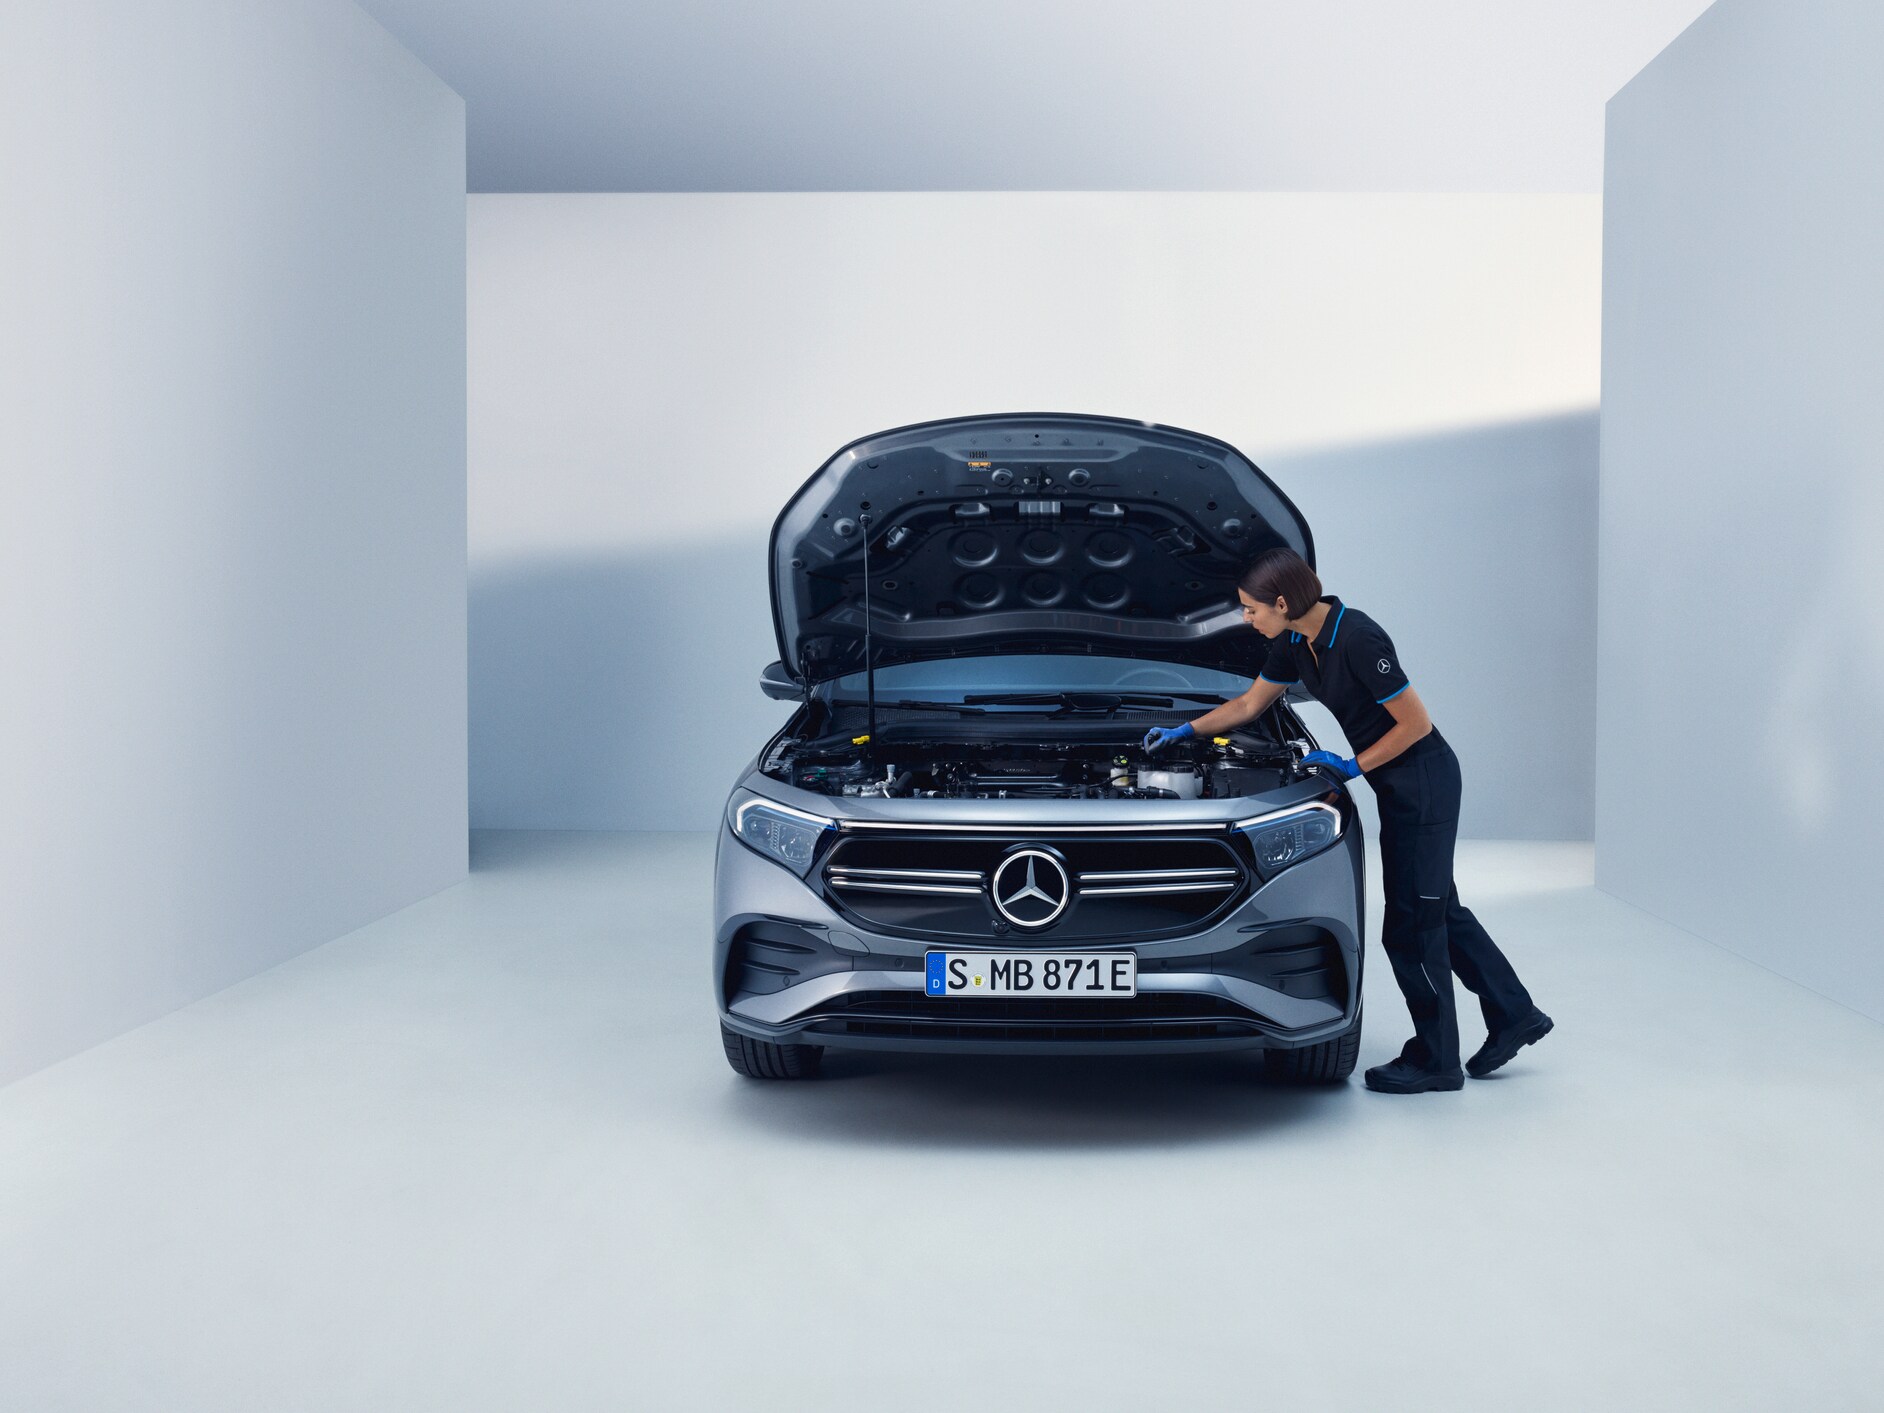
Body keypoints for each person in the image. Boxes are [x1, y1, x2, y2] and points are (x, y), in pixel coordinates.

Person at [1142, 547, 1552, 1093]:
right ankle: (1515, 1015)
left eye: (1250, 609)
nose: (1245, 618)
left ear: (1282, 602)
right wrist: (1186, 732)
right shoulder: (1295, 642)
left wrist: (1351, 765)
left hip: (1424, 785)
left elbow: (1416, 724)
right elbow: (1248, 706)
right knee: (1441, 909)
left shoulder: (1357, 637)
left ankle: (1437, 1060)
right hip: (1398, 787)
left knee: (1411, 925)